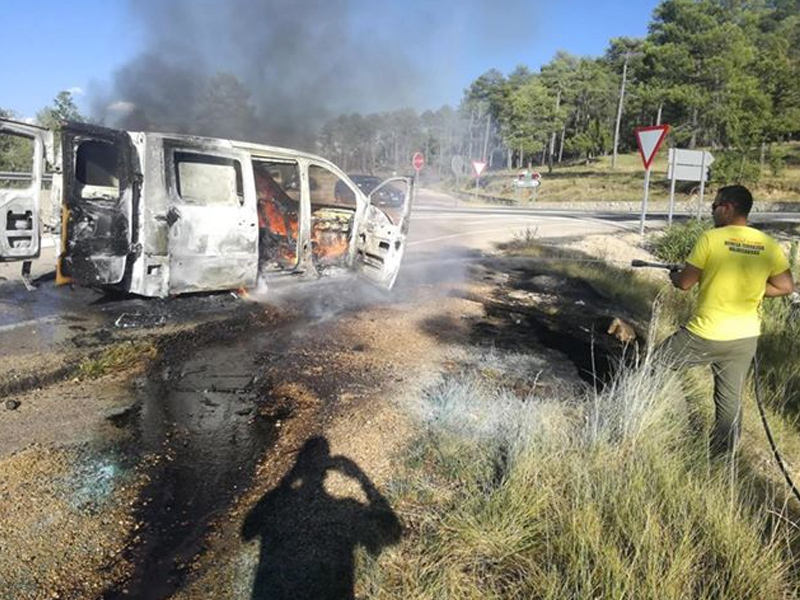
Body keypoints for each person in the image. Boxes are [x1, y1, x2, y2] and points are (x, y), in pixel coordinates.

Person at [659, 185, 794, 457]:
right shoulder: (768, 245)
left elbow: (685, 283)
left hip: (704, 334)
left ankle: (661, 423)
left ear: (728, 207)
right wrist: (753, 289)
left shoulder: (711, 239)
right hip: (744, 339)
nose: (712, 211)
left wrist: (675, 276)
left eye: (714, 206)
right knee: (729, 401)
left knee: (655, 364)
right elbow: (785, 287)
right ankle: (722, 458)